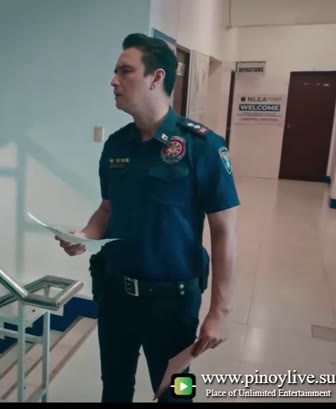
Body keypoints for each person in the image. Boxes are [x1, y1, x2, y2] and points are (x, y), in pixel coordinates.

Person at [56, 33, 239, 403]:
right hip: (115, 295)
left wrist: (219, 311)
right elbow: (108, 209)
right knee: (114, 387)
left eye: (125, 71)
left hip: (173, 304)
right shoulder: (116, 145)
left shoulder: (203, 146)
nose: (113, 81)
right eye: (115, 71)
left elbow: (224, 232)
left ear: (156, 78)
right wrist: (85, 235)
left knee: (177, 392)